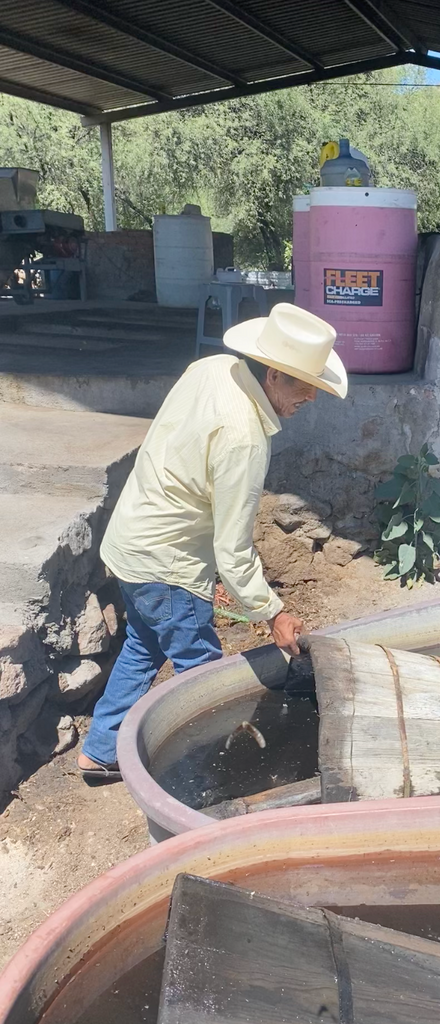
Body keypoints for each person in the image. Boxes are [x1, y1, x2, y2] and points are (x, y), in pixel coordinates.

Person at [77, 303, 347, 780]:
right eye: (304, 385)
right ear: (272, 375)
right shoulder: (244, 437)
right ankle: (201, 776)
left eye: (316, 386)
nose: (311, 397)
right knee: (204, 679)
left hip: (132, 543)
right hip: (168, 566)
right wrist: (274, 613)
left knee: (142, 646)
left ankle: (99, 752)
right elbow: (232, 551)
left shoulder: (213, 368)